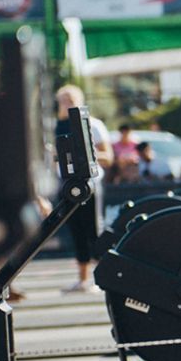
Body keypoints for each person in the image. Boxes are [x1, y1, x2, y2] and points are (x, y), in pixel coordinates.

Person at [55, 85, 113, 293]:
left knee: (93, 230)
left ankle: (106, 276)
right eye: (63, 100)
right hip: (66, 185)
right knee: (76, 231)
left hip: (89, 184)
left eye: (70, 99)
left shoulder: (93, 125)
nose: (66, 103)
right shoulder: (54, 127)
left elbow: (108, 157)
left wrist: (86, 153)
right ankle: (83, 279)